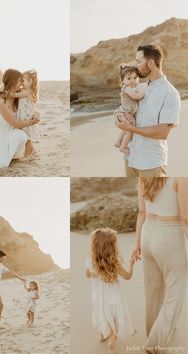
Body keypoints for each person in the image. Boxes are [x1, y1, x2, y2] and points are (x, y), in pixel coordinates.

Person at [132, 177, 188, 354]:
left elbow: (141, 212)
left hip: (148, 232)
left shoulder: (145, 175)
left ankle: (153, 334)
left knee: (153, 291)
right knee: (174, 294)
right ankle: (155, 344)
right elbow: (185, 217)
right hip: (170, 235)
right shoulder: (181, 176)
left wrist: (138, 244)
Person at [116, 44, 180, 177]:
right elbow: (128, 108)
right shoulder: (140, 87)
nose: (136, 65)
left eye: (139, 61)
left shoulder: (170, 93)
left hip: (151, 164)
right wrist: (120, 117)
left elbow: (162, 132)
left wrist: (130, 128)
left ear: (150, 63)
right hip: (130, 159)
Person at [86, 227, 136, 354]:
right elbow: (127, 276)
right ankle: (111, 346)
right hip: (113, 296)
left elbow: (88, 275)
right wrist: (131, 263)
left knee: (102, 314)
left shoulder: (90, 260)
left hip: (98, 296)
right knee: (115, 319)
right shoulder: (115, 262)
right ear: (110, 246)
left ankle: (102, 335)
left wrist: (97, 275)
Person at [114, 64, 145, 154]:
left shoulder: (131, 88)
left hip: (126, 113)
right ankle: (123, 147)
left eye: (135, 78)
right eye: (129, 78)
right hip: (126, 113)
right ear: (122, 81)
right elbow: (135, 96)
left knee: (126, 129)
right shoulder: (127, 88)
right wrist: (143, 94)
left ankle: (118, 142)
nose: (132, 80)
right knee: (131, 130)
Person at [11, 69, 40, 160]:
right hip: (23, 115)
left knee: (27, 137)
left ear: (30, 81)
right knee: (25, 135)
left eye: (23, 80)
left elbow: (14, 95)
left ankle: (27, 155)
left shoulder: (27, 92)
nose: (21, 82)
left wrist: (7, 91)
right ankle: (33, 151)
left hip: (26, 116)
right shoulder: (24, 90)